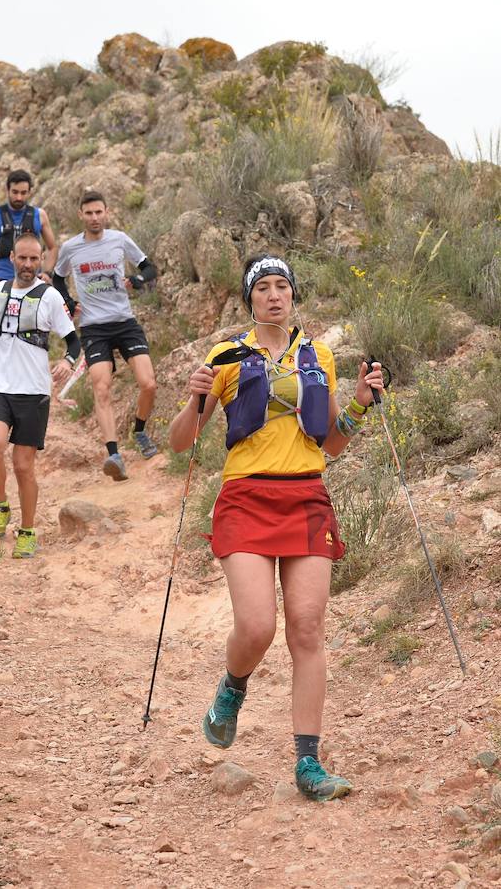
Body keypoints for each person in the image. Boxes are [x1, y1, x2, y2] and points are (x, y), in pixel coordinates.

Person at [169, 253, 384, 802]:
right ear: (250, 299)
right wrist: (195, 396)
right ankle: (233, 686)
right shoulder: (225, 356)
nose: (273, 295)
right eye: (262, 287)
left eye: (281, 286)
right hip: (245, 498)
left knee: (307, 629)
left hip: (306, 496)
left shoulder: (320, 356)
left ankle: (308, 764)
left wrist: (358, 406)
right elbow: (179, 442)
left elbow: (330, 443)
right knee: (258, 626)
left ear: (292, 296)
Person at [0, 233, 80, 559]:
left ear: (41, 260)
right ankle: (1, 505)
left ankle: (27, 529)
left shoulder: (51, 296)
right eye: (23, 258)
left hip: (34, 391)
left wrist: (68, 363)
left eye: (34, 259)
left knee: (23, 466)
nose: (28, 265)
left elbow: (74, 342)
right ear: (12, 258)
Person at [53, 190, 158, 481]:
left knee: (148, 384)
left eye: (99, 212)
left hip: (125, 323)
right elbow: (58, 278)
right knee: (101, 388)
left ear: (106, 212)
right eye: (89, 213)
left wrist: (137, 280)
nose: (94, 218)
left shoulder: (120, 239)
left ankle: (139, 431)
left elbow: (150, 268)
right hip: (94, 327)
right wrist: (70, 302)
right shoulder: (71, 248)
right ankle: (114, 455)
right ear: (81, 215)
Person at [0, 169, 57, 291]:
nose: (19, 197)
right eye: (15, 192)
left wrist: (47, 273)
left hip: (33, 281)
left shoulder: (39, 215)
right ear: (7, 190)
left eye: (23, 193)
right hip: (3, 280)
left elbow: (52, 247)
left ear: (29, 192)